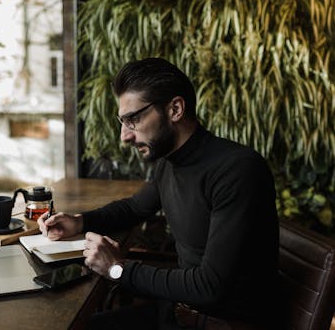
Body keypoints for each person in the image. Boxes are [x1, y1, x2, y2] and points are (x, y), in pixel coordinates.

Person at [37, 57, 279, 330]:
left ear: (175, 109)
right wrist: (79, 221)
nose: (124, 137)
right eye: (123, 122)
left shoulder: (238, 171)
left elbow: (209, 286)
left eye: (133, 120)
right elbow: (133, 208)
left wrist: (117, 268)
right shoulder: (170, 161)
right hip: (176, 312)